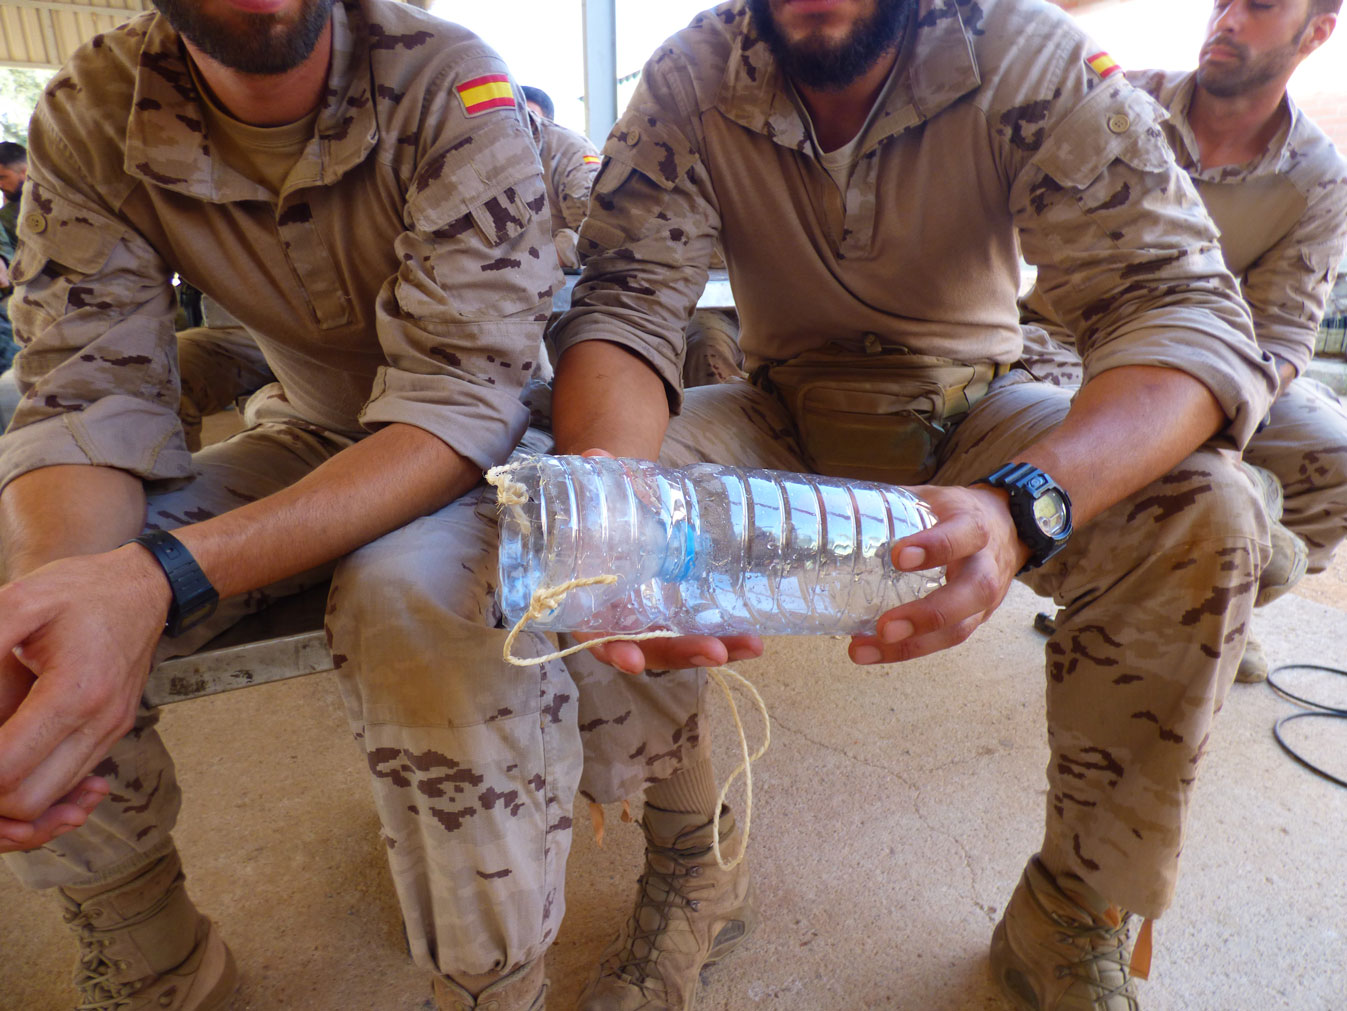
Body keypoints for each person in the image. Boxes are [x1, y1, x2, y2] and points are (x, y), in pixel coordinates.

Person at [549, 0, 1280, 1009]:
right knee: (580, 515)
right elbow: (625, 303)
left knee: (1208, 511)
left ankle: (1071, 909)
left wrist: (1025, 506)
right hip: (780, 410)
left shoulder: (1024, 52)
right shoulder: (692, 75)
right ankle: (693, 863)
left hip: (976, 411)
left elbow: (1180, 305)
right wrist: (612, 521)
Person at [0, 0, 586, 1009]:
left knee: (416, 602)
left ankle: (493, 985)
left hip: (484, 446)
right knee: (30, 610)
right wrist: (73, 606)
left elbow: (463, 403)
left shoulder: (450, 80)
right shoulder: (94, 106)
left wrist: (159, 578)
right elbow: (86, 396)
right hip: (314, 427)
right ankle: (155, 961)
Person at [1019, 0, 1347, 684]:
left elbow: (1283, 334)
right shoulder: (1115, 101)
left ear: (1317, 31)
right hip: (1061, 341)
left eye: (1258, 6)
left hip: (1216, 362)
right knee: (1142, 457)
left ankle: (1209, 606)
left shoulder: (1318, 176)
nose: (1227, 19)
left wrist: (1212, 414)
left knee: (1334, 455)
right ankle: (1134, 585)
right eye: (1221, 1)